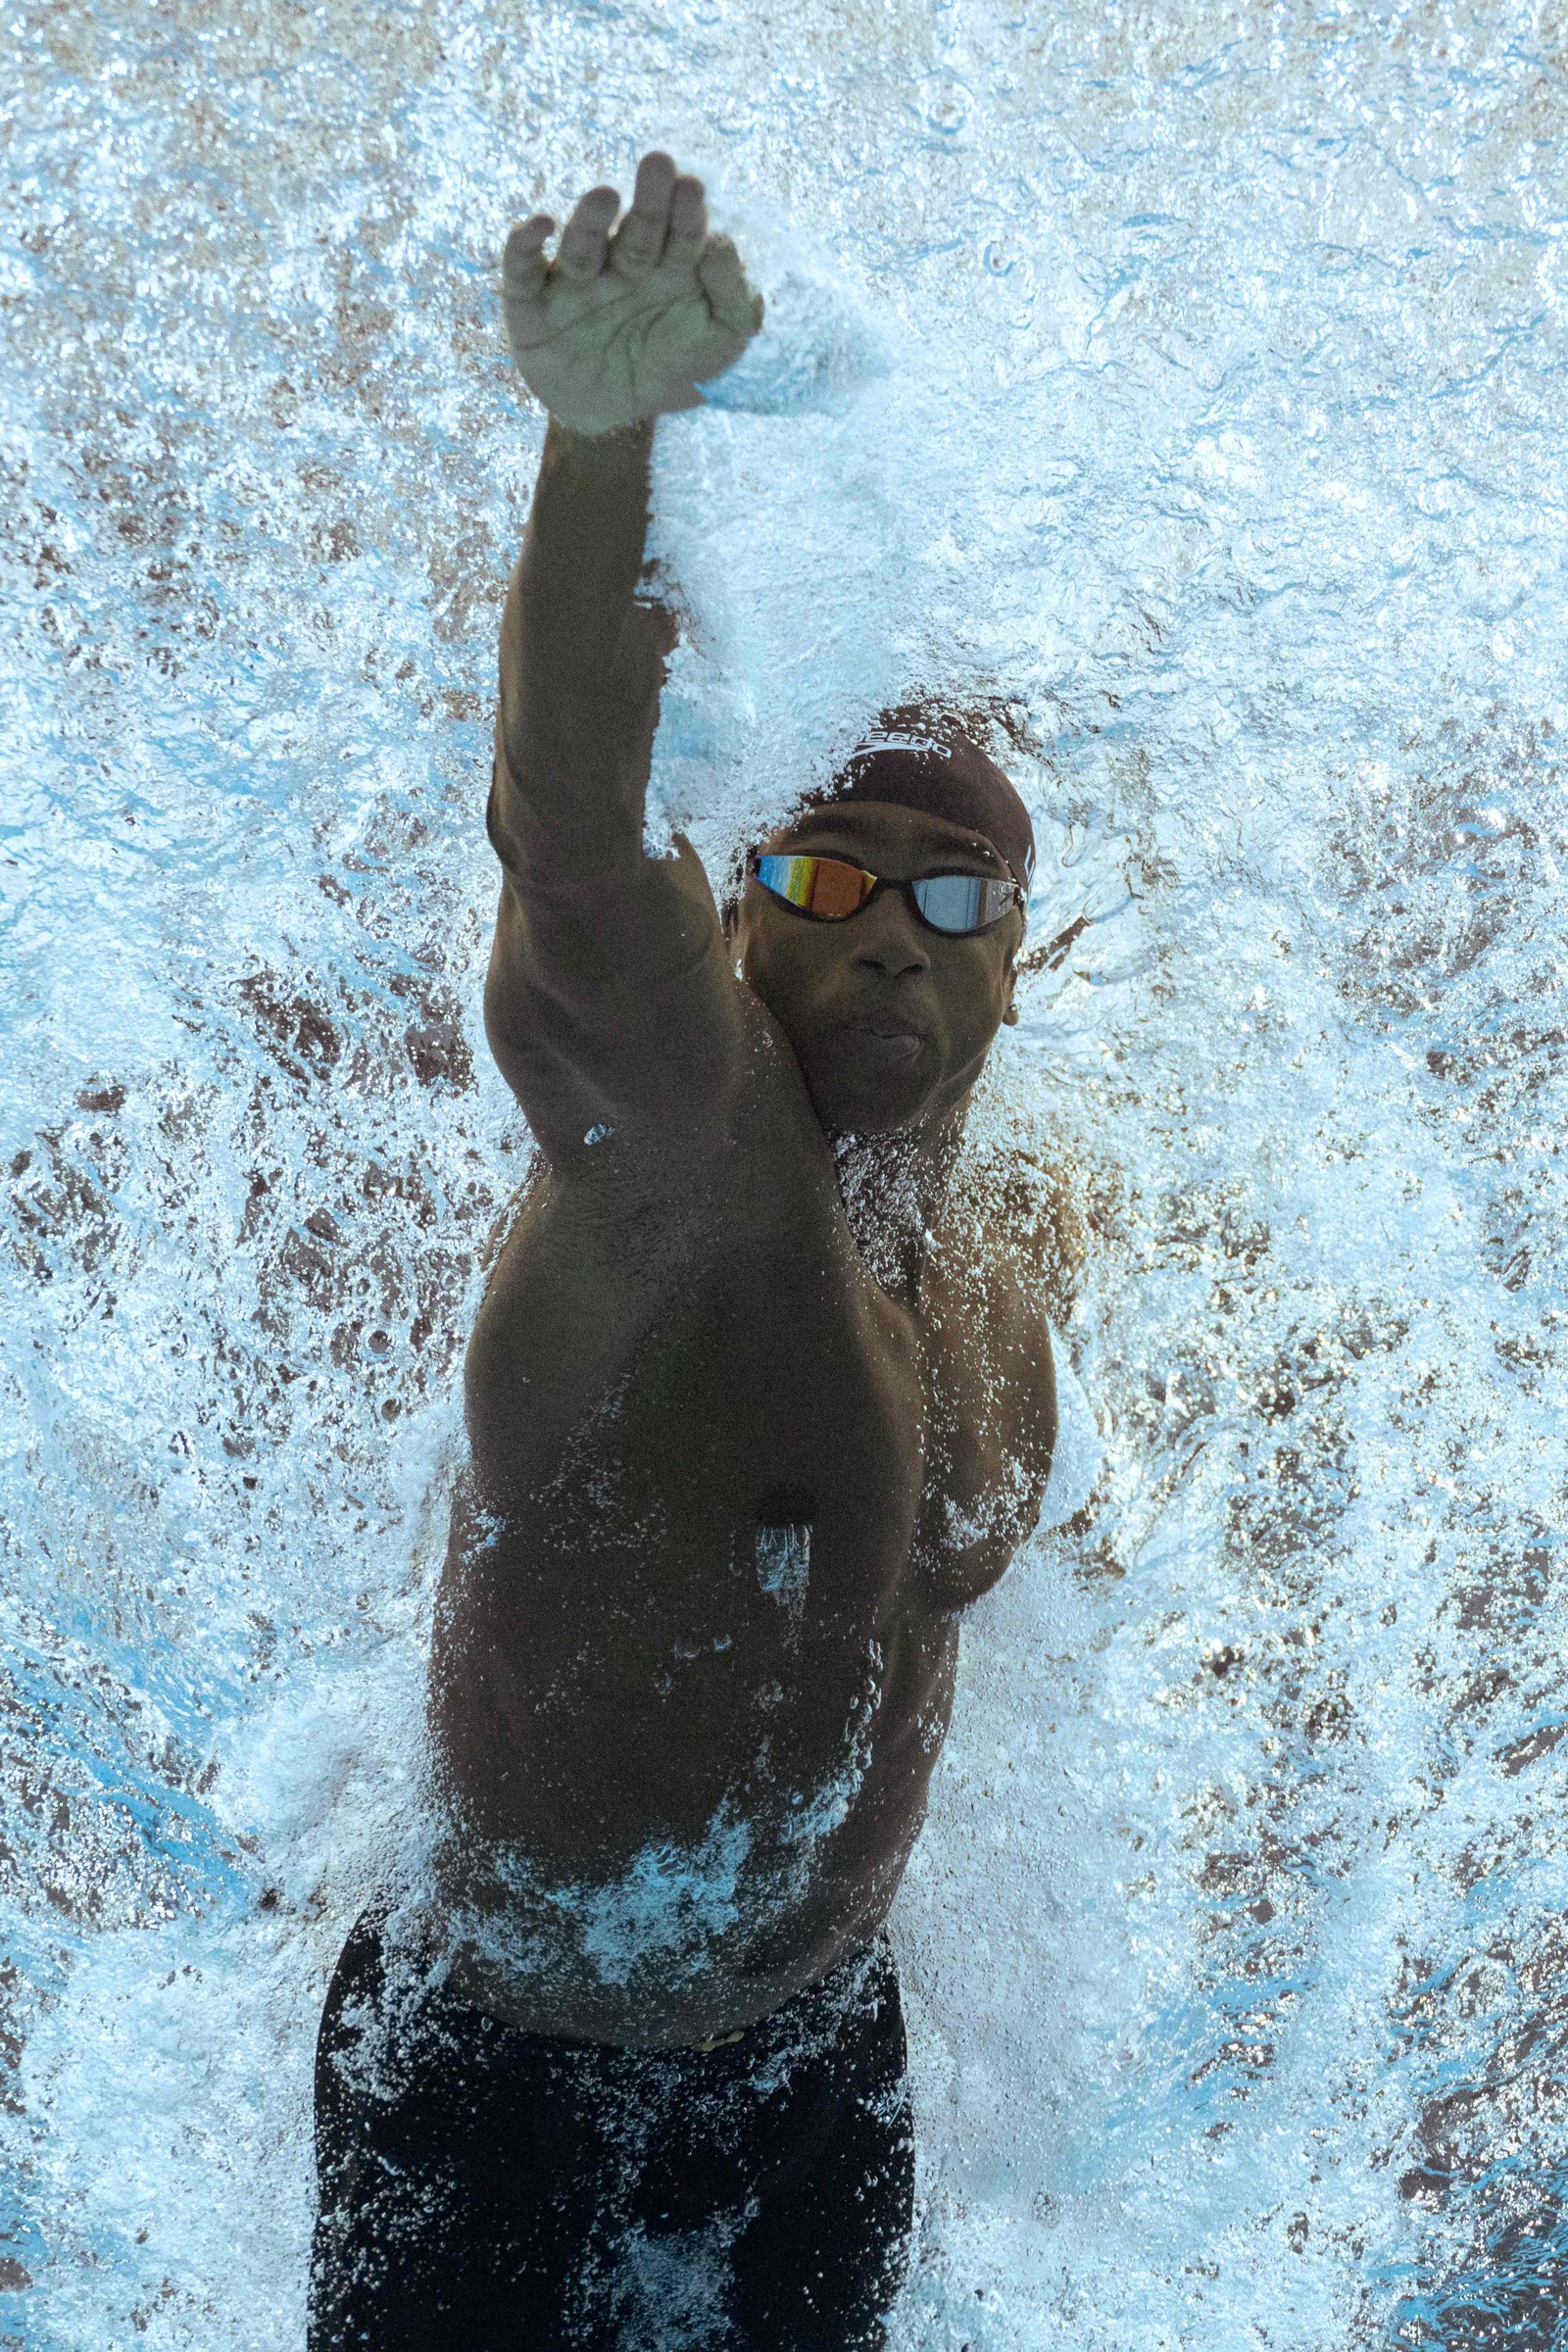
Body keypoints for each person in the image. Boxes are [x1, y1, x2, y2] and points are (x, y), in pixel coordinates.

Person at [309, 150, 1076, 2352]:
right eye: (830, 875)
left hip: (814, 2067)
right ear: (743, 909)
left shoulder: (999, 1218)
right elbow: (565, 848)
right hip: (498, 2075)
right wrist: (598, 437)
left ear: (1022, 962)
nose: (889, 941)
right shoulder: (686, 1146)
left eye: (954, 895)